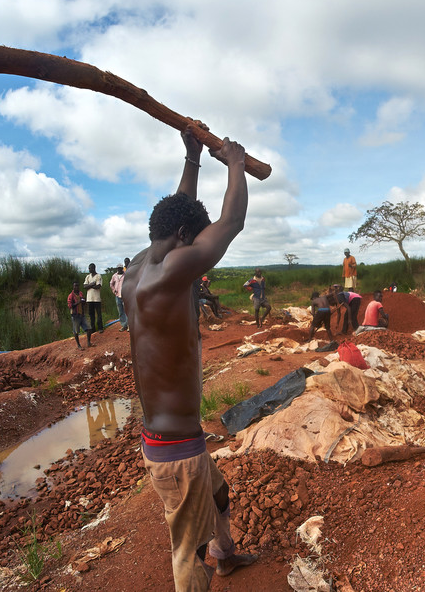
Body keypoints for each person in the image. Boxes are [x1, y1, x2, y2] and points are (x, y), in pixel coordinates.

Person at [121, 125, 258, 591]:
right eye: (192, 238)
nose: (198, 248)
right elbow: (231, 223)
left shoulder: (141, 267)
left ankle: (226, 552)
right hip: (176, 452)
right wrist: (236, 162)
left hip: (175, 442)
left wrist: (194, 159)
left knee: (218, 494)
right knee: (186, 555)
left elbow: (183, 214)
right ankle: (207, 558)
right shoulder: (174, 271)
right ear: (184, 237)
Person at [67, 281, 91, 349]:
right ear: (73, 287)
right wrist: (78, 302)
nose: (76, 287)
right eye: (75, 286)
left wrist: (83, 301)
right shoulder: (71, 296)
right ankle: (78, 345)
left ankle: (89, 342)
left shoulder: (80, 293)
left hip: (82, 314)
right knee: (76, 331)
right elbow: (70, 306)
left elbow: (83, 302)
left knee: (89, 328)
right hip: (75, 315)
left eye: (77, 286)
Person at [83, 263, 104, 333]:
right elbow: (84, 286)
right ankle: (93, 328)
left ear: (94, 268)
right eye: (89, 268)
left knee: (99, 314)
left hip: (97, 298)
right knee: (91, 315)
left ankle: (100, 328)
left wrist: (89, 285)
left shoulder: (98, 276)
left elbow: (98, 286)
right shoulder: (88, 277)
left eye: (90, 268)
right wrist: (92, 284)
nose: (89, 269)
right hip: (89, 299)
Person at [110, 265, 128, 331]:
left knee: (126, 310)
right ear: (117, 268)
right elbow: (111, 283)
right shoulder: (114, 275)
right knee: (120, 311)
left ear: (122, 268)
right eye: (118, 268)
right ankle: (124, 325)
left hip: (125, 295)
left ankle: (128, 325)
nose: (119, 269)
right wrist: (114, 290)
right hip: (117, 295)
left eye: (120, 268)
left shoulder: (126, 275)